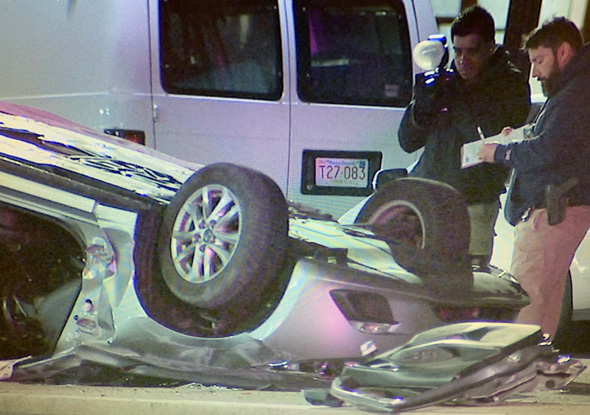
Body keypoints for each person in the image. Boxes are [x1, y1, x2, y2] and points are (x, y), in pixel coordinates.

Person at [480, 17, 590, 339]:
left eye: (539, 60)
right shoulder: (576, 88)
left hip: (552, 208)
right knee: (548, 298)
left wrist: (499, 153)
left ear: (564, 52)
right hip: (566, 207)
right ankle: (535, 364)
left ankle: (513, 369)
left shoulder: (575, 94)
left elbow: (548, 151)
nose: (534, 72)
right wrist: (523, 135)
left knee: (526, 298)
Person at [398, 6, 531, 269]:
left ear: (490, 48)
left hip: (474, 206)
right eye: (457, 51)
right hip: (431, 202)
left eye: (471, 51)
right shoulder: (448, 81)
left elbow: (487, 140)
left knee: (465, 292)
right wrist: (422, 106)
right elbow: (407, 141)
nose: (462, 60)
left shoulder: (510, 85)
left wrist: (455, 99)